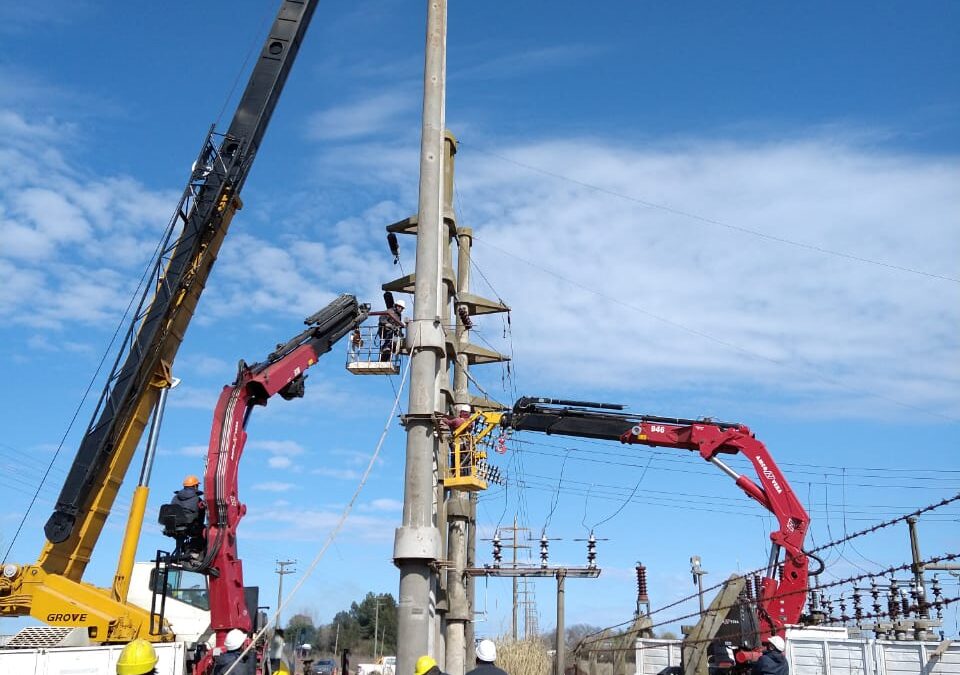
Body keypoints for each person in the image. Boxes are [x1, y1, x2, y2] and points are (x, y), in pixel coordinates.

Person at [169, 475, 205, 560]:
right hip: (189, 526)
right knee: (204, 531)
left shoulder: (175, 497)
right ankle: (195, 551)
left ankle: (180, 549)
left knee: (180, 533)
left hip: (173, 525)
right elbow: (201, 516)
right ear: (195, 486)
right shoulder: (197, 499)